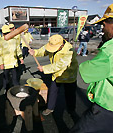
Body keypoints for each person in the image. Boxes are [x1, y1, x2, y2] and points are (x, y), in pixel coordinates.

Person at [70, 4, 113, 132]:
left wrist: (103, 48)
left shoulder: (109, 50)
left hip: (107, 109)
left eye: (104, 25)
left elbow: (86, 71)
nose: (103, 29)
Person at [29, 34, 78, 115]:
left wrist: (44, 68)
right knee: (52, 91)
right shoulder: (52, 43)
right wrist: (35, 52)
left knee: (70, 94)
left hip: (69, 75)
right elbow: (44, 50)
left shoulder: (69, 50)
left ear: (61, 45)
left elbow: (60, 65)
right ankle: (50, 108)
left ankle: (71, 109)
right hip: (56, 75)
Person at [0, 25, 24, 92]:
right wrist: (1, 63)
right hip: (5, 63)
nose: (7, 34)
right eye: (5, 33)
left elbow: (18, 49)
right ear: (2, 33)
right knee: (6, 78)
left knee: (15, 78)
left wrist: (21, 58)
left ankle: (16, 90)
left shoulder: (14, 40)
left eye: (8, 33)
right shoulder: (0, 41)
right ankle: (6, 89)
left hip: (13, 62)